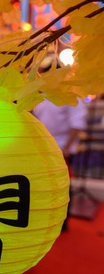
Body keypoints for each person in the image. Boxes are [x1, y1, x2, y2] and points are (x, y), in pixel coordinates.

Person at [33, 98, 88, 231]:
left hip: (62, 146)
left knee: (62, 185)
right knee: (43, 185)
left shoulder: (71, 97)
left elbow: (77, 124)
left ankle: (62, 221)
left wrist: (67, 148)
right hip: (43, 146)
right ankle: (44, 218)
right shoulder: (41, 96)